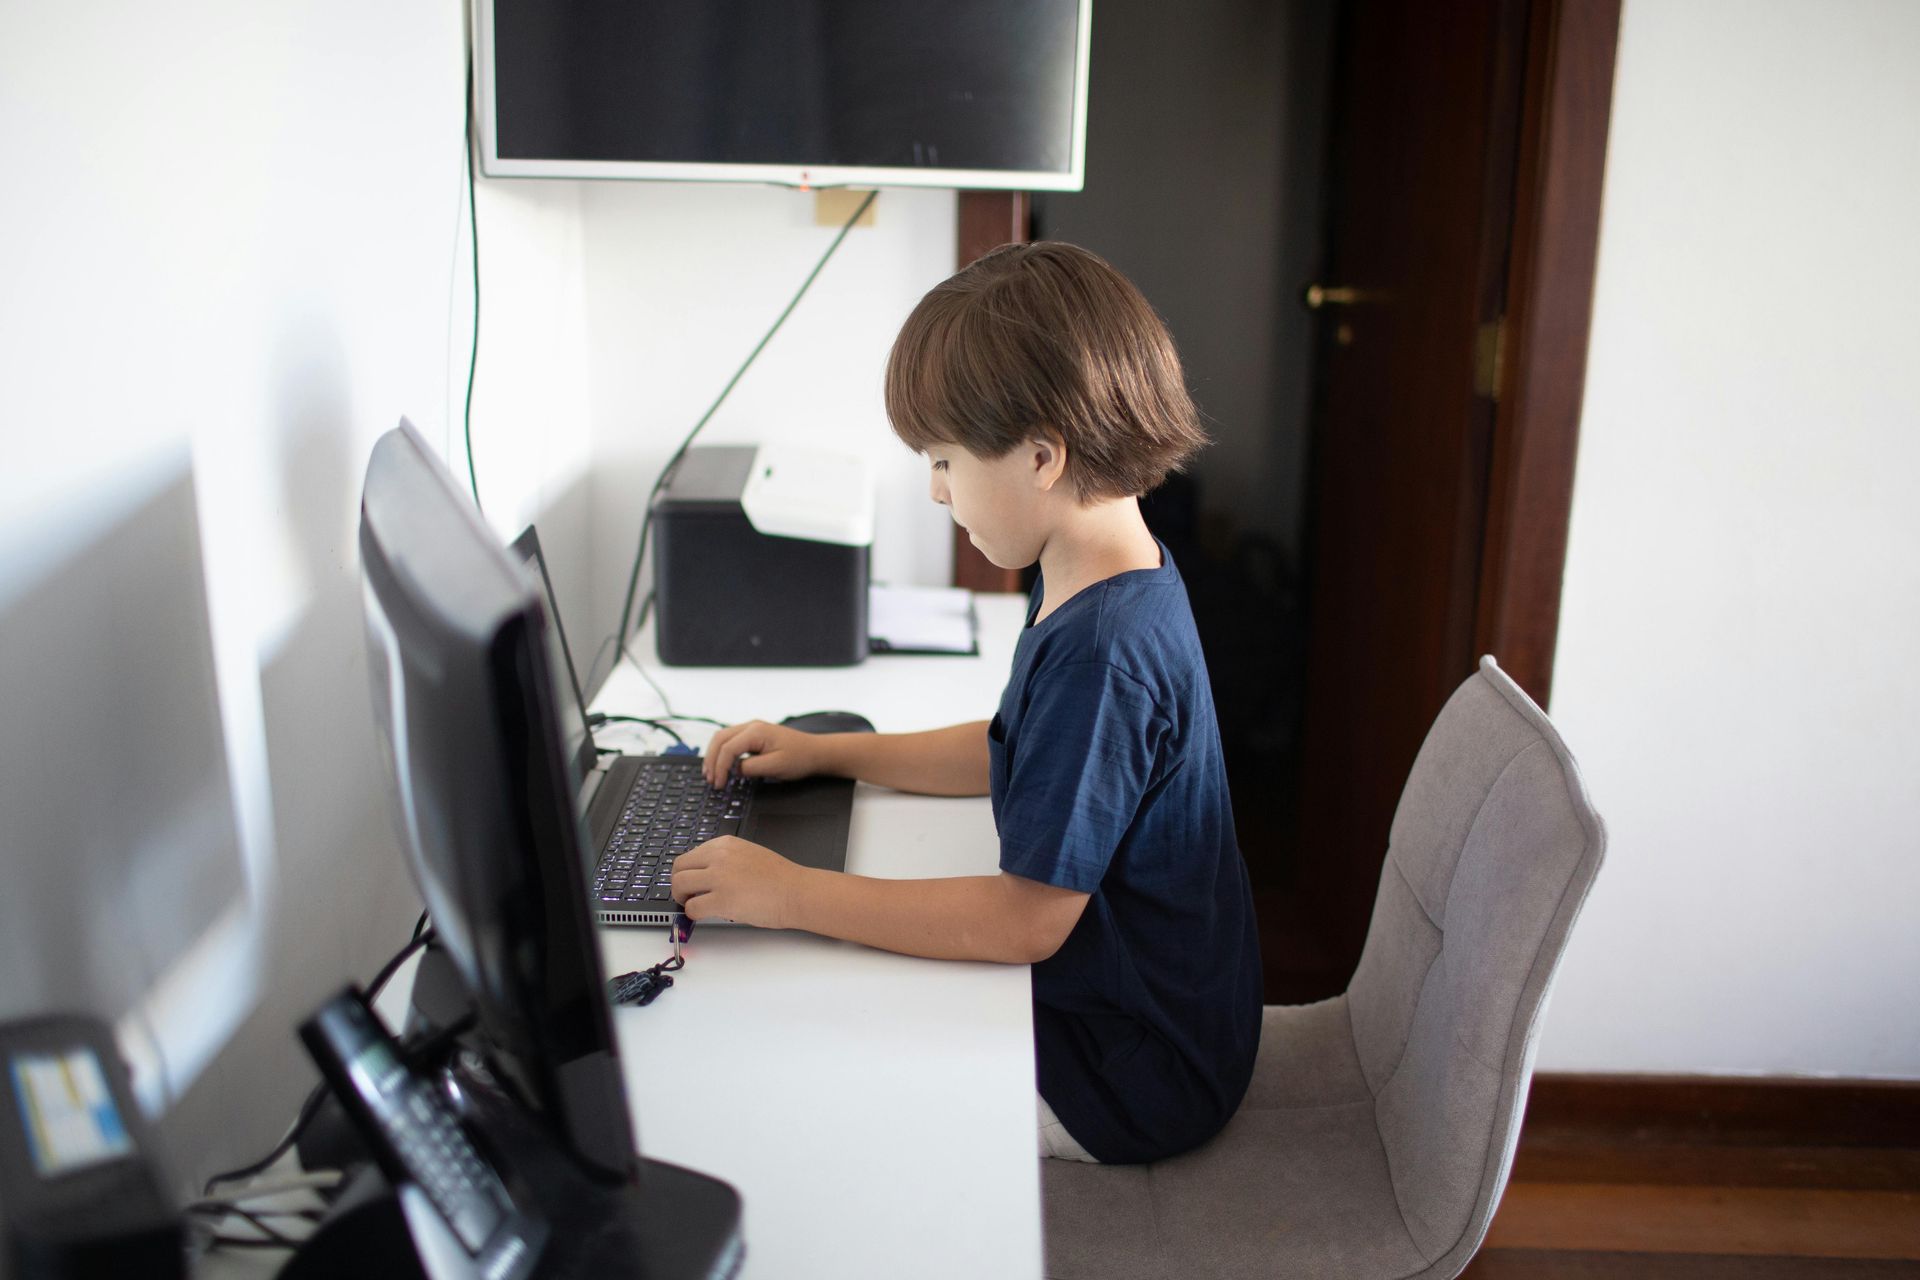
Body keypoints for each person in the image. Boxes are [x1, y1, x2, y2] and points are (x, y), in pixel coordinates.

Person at [671, 241, 1262, 1165]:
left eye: (944, 460)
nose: (937, 489)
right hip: (1150, 1018)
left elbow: (1025, 921)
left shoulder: (1104, 652)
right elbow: (1014, 748)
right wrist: (831, 753)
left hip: (1136, 1072)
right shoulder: (1095, 570)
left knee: (808, 1066)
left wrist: (790, 894)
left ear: (1040, 456)